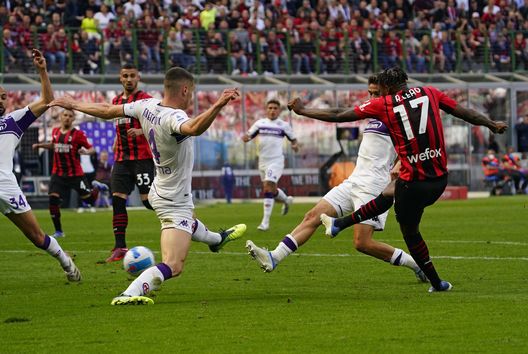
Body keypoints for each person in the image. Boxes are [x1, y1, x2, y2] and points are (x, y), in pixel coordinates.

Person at [288, 66, 507, 292]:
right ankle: (338, 224)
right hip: (440, 178)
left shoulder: (385, 104)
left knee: (410, 232)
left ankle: (437, 283)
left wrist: (303, 111)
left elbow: (338, 115)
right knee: (388, 193)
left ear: (387, 87)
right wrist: (491, 124)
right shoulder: (430, 92)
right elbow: (463, 111)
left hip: (413, 183)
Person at [49, 67, 245, 305]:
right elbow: (193, 128)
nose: (191, 97)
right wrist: (219, 103)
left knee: (189, 222)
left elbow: (108, 110)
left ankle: (216, 240)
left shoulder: (146, 105)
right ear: (185, 90)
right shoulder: (176, 117)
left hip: (159, 189)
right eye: (191, 92)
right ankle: (128, 294)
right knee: (173, 264)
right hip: (173, 200)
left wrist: (74, 104)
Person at [246, 75, 427, 283]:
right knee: (312, 216)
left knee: (362, 243)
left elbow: (416, 146)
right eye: (369, 93)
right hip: (354, 180)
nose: (372, 97)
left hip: (375, 185)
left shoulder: (398, 116)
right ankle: (274, 257)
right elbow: (339, 113)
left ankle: (417, 264)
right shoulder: (373, 111)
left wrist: (400, 163)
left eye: (376, 93)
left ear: (388, 91)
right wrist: (304, 112)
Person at [0, 49, 80, 282]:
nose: (1, 100)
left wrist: (42, 70)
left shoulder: (12, 121)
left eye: (4, 96)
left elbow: (47, 101)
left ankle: (67, 263)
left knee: (35, 236)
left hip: (5, 185)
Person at [106, 64, 155, 262]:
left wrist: (141, 131)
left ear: (138, 77)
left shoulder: (147, 100)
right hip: (121, 160)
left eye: (132, 76)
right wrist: (116, 142)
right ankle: (119, 247)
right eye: (125, 75)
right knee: (117, 200)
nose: (128, 79)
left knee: (148, 202)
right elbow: (120, 125)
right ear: (120, 78)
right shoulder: (115, 101)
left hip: (142, 159)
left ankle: (182, 221)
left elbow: (158, 124)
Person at [33, 109, 100, 238]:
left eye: (70, 116)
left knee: (90, 200)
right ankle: (59, 231)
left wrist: (86, 152)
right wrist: (40, 145)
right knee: (53, 199)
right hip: (58, 173)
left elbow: (91, 148)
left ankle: (97, 188)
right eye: (65, 115)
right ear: (60, 116)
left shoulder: (78, 134)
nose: (67, 118)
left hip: (75, 174)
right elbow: (54, 145)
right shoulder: (55, 131)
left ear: (73, 119)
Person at [242, 99, 299, 231]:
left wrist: (295, 145)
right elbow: (249, 135)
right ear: (266, 110)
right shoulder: (259, 124)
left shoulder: (283, 125)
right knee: (271, 190)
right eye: (270, 108)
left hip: (276, 161)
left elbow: (294, 139)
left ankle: (265, 223)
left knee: (267, 188)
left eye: (275, 108)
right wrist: (245, 138)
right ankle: (286, 200)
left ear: (279, 110)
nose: (272, 110)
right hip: (262, 161)